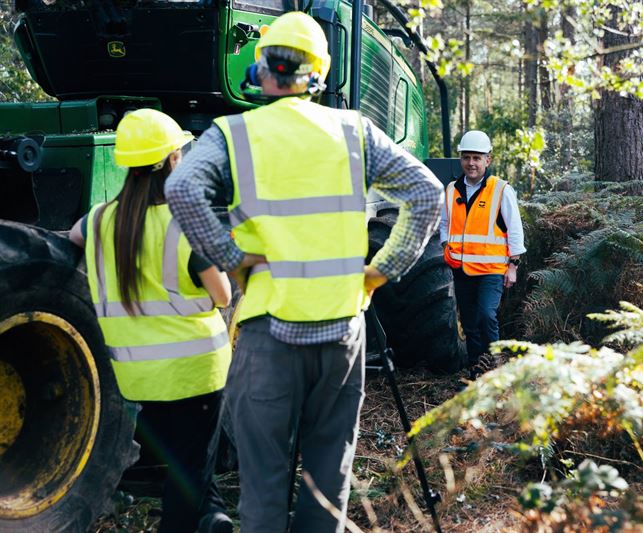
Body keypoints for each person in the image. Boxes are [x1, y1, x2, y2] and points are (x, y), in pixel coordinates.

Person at [163, 11, 443, 533]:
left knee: (264, 489)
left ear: (262, 68)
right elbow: (426, 193)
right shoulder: (354, 131)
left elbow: (180, 190)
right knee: (326, 486)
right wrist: (382, 271)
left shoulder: (233, 134)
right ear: (320, 71)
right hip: (342, 332)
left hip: (269, 335)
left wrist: (228, 256)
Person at [68, 108, 234, 533]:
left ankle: (213, 517)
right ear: (174, 161)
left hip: (135, 377)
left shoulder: (104, 218)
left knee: (185, 462)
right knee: (190, 471)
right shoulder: (186, 222)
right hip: (195, 372)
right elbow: (223, 295)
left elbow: (73, 235)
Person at [440, 130, 526, 378]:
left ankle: (494, 360)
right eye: (466, 157)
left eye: (477, 158)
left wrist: (513, 266)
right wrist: (447, 245)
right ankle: (477, 367)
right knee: (469, 322)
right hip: (462, 269)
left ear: (488, 159)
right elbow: (444, 223)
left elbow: (515, 229)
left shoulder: (500, 190)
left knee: (486, 314)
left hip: (491, 270)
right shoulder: (451, 190)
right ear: (461, 159)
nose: (471, 163)